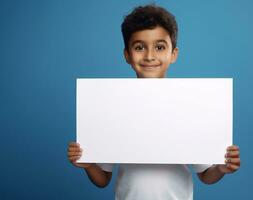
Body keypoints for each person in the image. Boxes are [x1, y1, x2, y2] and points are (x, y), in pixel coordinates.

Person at [67, 4, 241, 200]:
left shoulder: (189, 106)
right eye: (139, 47)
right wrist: (88, 164)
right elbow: (103, 179)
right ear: (127, 55)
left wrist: (222, 167)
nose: (149, 56)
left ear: (173, 54)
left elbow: (205, 175)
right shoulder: (114, 106)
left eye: (159, 47)